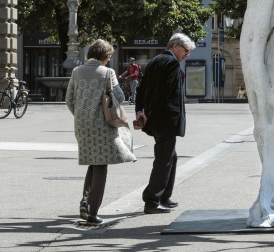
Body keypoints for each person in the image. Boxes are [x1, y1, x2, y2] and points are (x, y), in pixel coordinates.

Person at [65, 38, 136, 226]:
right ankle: (93, 213)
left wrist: (81, 115)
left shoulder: (76, 71)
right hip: (102, 125)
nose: (109, 60)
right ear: (105, 56)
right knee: (101, 165)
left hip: (81, 124)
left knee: (93, 161)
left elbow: (69, 99)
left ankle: (85, 201)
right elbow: (119, 96)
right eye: (109, 56)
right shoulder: (107, 72)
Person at [134, 32, 193, 214]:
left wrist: (141, 111)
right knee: (164, 159)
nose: (187, 54)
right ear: (175, 46)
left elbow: (141, 88)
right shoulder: (172, 63)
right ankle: (152, 200)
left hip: (157, 118)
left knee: (170, 157)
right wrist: (148, 114)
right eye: (185, 50)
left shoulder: (155, 60)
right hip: (165, 119)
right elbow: (164, 93)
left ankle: (164, 196)